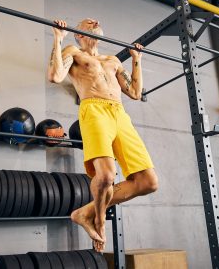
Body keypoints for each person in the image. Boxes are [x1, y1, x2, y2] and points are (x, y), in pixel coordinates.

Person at [47, 18, 159, 252]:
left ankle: (84, 213)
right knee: (106, 176)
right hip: (94, 109)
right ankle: (99, 220)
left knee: (148, 182)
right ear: (78, 34)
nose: (94, 21)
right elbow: (55, 76)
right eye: (87, 22)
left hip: (120, 114)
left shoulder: (113, 60)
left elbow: (136, 93)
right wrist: (58, 38)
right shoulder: (74, 51)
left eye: (95, 20)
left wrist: (137, 60)